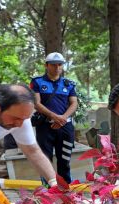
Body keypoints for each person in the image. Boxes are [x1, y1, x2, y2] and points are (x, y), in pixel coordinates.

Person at [29, 52, 78, 183]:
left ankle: (66, 192)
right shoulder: (37, 82)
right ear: (46, 65)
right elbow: (36, 103)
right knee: (45, 160)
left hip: (65, 127)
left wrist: (62, 118)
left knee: (65, 161)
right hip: (45, 127)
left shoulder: (69, 84)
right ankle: (47, 190)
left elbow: (74, 103)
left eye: (60, 65)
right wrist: (54, 116)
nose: (57, 68)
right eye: (53, 65)